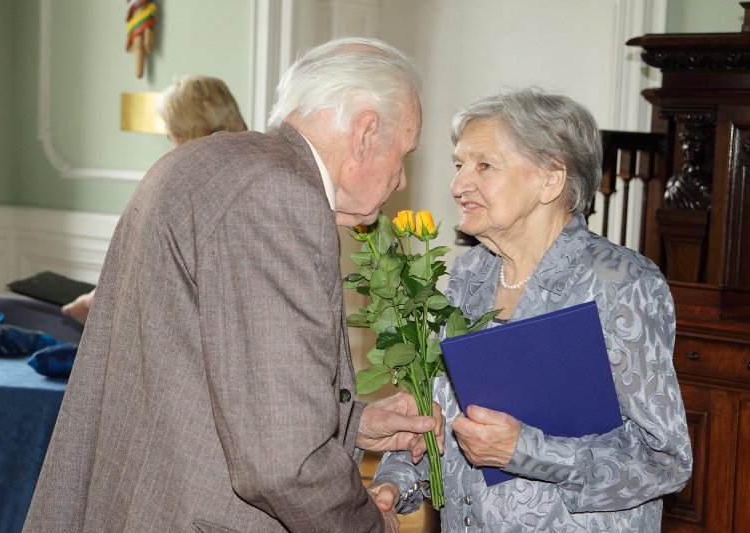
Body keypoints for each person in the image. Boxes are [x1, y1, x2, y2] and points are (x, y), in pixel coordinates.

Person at [24, 38, 444, 533]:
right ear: (365, 132)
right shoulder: (282, 197)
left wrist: (358, 425)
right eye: (406, 152)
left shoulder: (204, 162)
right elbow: (284, 464)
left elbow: (220, 383)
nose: (400, 181)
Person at [369, 87, 693, 532]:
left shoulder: (620, 283)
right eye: (459, 165)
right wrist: (394, 481)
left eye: (484, 165)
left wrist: (525, 451)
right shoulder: (468, 277)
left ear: (551, 179)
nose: (458, 185)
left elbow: (666, 461)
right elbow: (439, 412)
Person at [60, 74, 248, 325]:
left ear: (183, 133)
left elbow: (140, 267)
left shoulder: (184, 184)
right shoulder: (254, 167)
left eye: (171, 135)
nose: (172, 143)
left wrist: (88, 305)